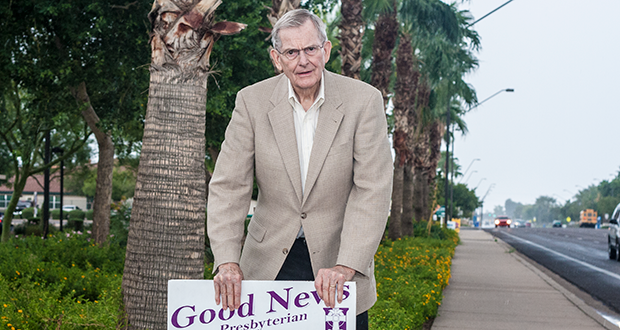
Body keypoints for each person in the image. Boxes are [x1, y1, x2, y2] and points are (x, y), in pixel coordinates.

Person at [207, 9, 392, 328]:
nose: (302, 60)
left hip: (338, 264)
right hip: (266, 266)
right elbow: (229, 187)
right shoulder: (251, 102)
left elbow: (372, 190)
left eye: (310, 49)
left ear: (327, 50)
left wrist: (345, 267)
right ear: (276, 58)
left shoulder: (364, 101)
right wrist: (227, 261)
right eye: (291, 52)